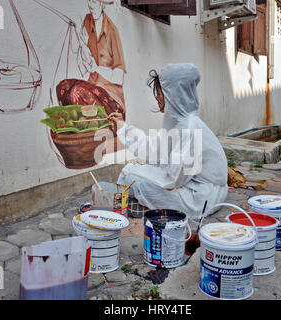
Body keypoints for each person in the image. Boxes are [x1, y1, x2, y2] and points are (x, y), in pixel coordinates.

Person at [108, 63, 228, 219]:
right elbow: (153, 151)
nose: (157, 98)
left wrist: (154, 178)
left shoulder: (189, 127)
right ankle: (141, 201)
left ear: (174, 95)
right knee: (130, 170)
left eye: (160, 92)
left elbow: (175, 179)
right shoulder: (177, 122)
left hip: (202, 196)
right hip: (189, 184)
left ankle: (136, 206)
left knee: (133, 179)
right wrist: (123, 127)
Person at [77, 0, 127, 114]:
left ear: (102, 3)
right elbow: (85, 60)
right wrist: (83, 46)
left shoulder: (112, 31)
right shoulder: (87, 21)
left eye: (94, 1)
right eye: (89, 1)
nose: (90, 5)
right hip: (91, 89)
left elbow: (119, 77)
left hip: (110, 93)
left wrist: (96, 68)